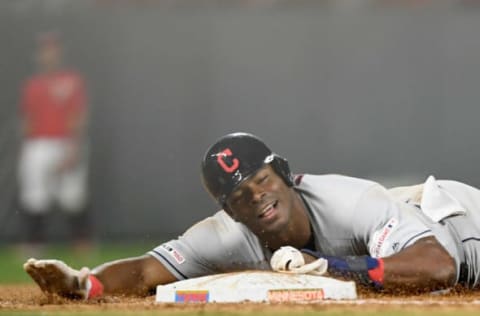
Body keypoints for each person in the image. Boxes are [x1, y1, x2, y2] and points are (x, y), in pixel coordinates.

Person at [24, 132, 480, 300]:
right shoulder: (226, 235)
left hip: (463, 227)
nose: (258, 196)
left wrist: (336, 267)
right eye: (241, 194)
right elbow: (146, 269)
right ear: (231, 210)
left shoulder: (350, 200)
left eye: (263, 180)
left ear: (284, 173)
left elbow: (439, 265)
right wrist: (83, 284)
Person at [17, 32, 90, 254]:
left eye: (52, 49)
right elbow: (27, 119)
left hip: (64, 142)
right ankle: (35, 243)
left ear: (60, 53)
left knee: (72, 195)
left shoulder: (71, 81)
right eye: (44, 50)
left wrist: (74, 147)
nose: (48, 54)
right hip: (38, 144)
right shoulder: (33, 85)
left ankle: (82, 242)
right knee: (34, 194)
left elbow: (78, 116)